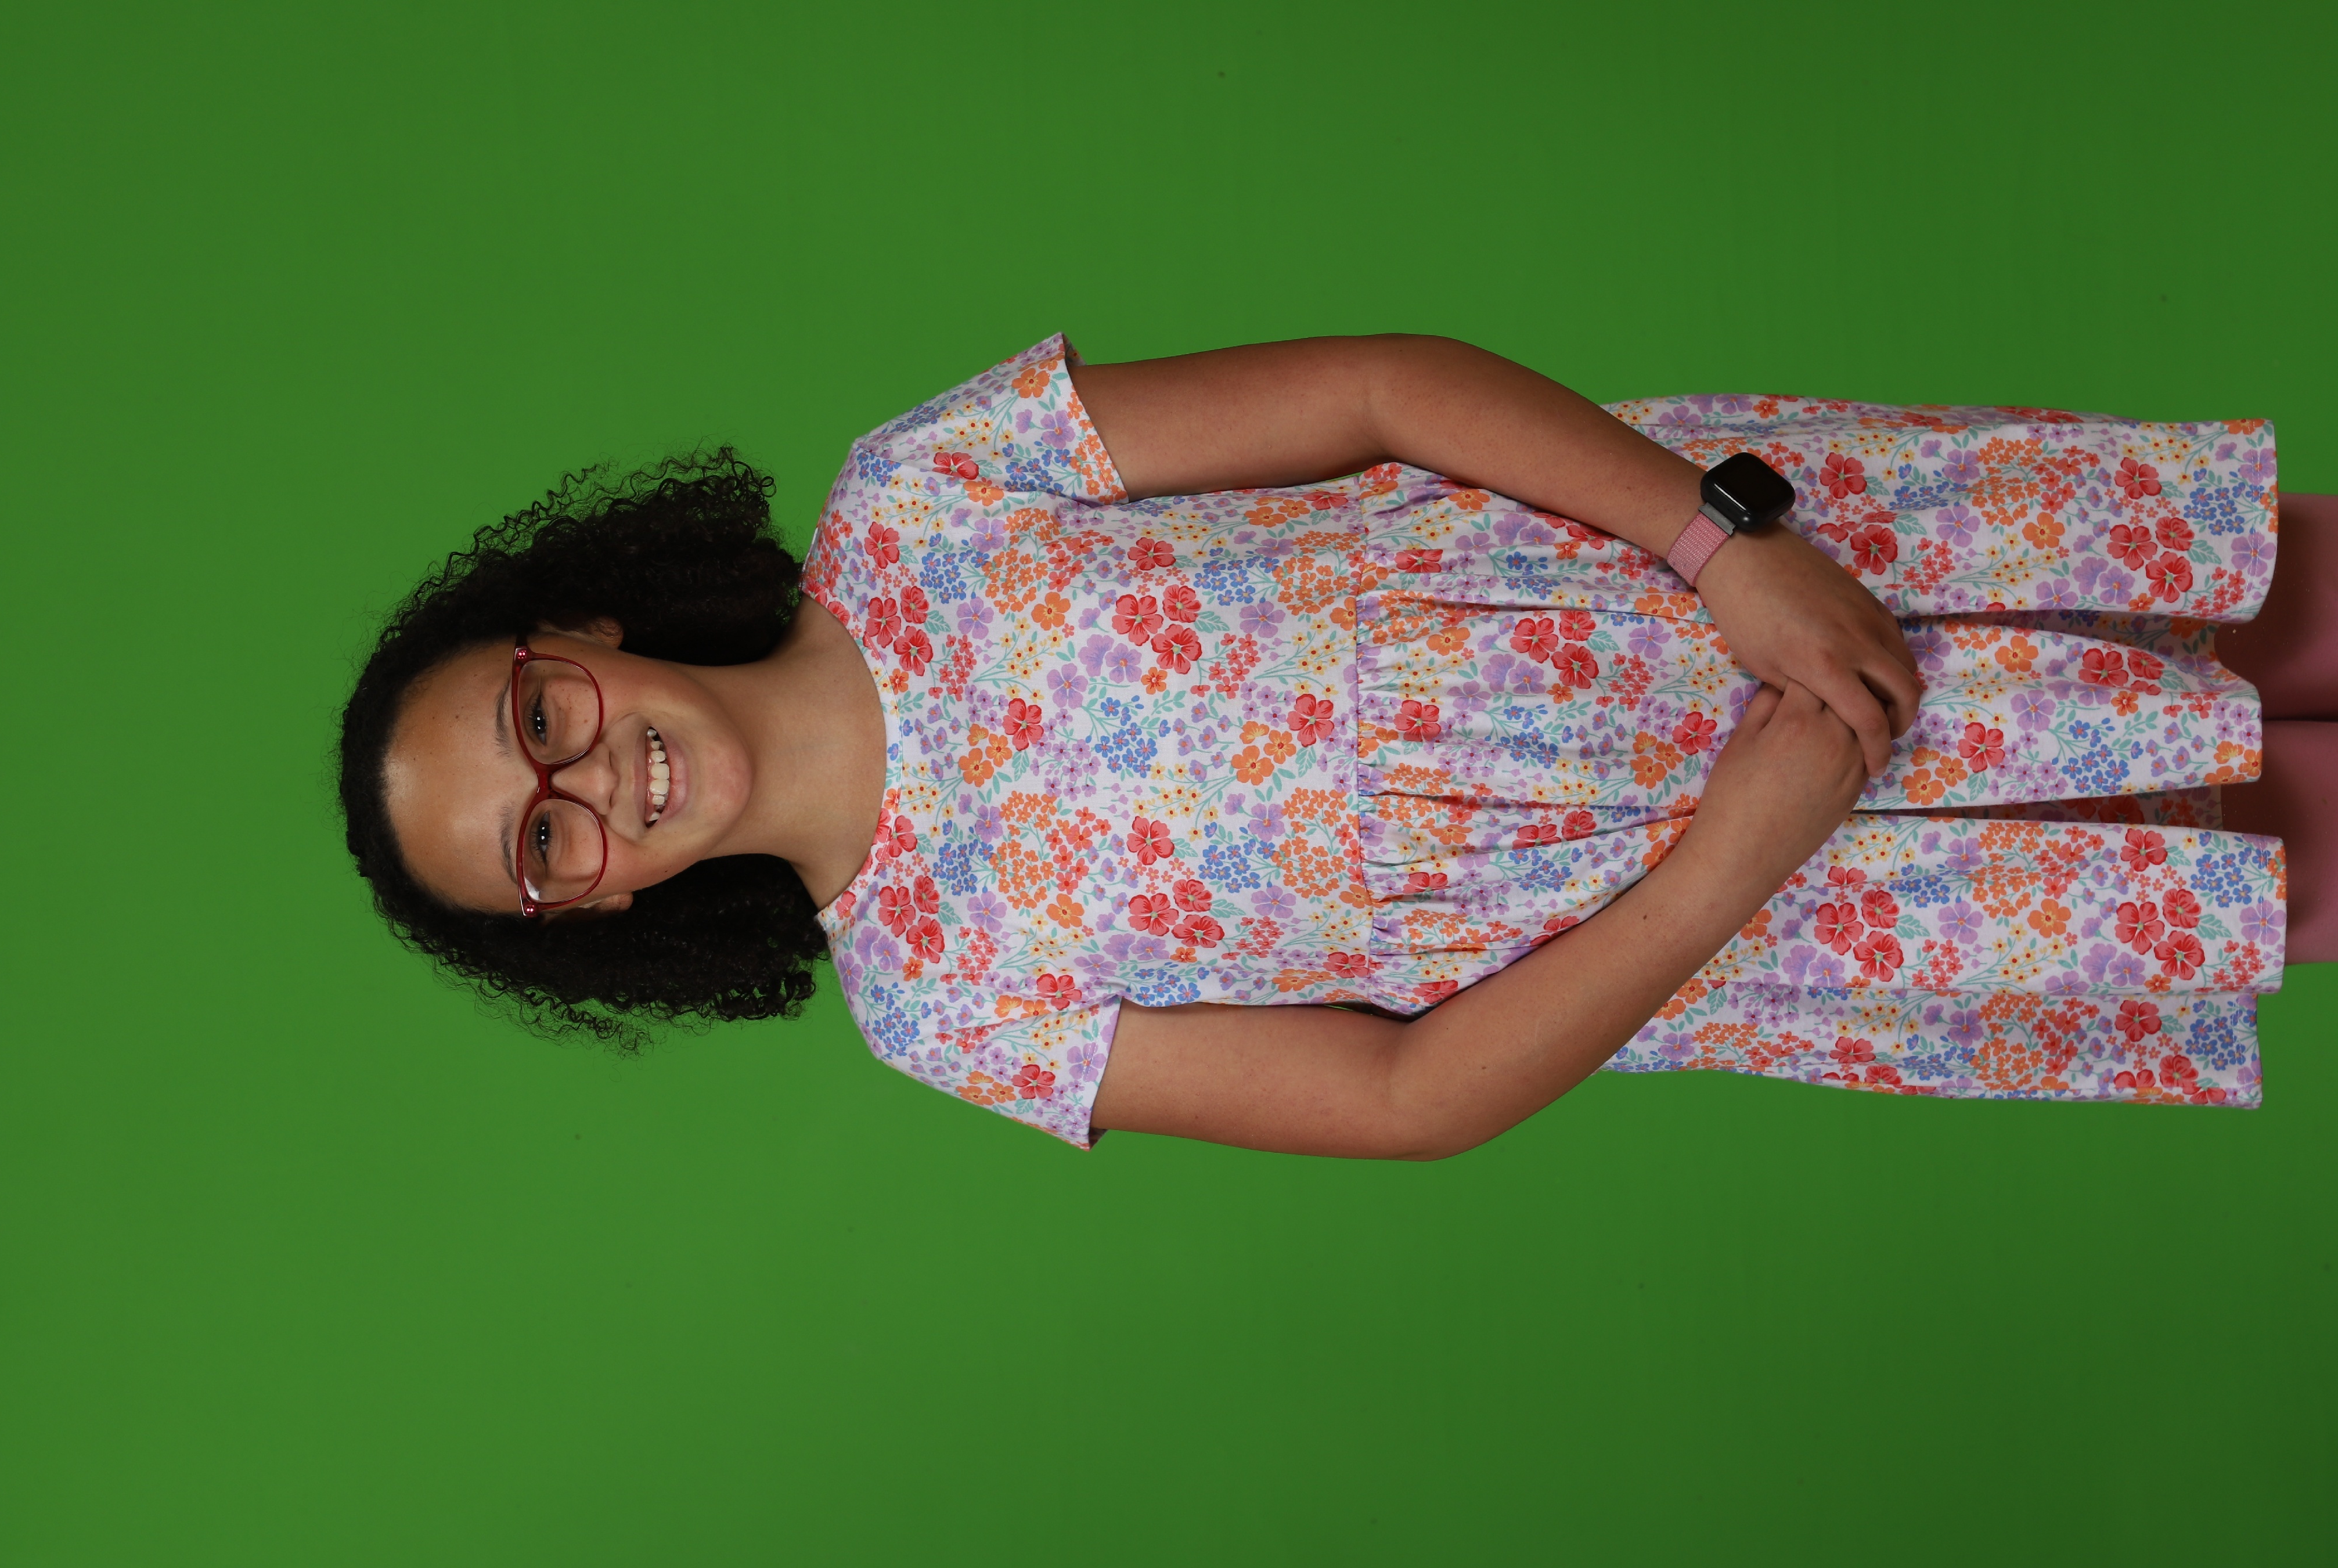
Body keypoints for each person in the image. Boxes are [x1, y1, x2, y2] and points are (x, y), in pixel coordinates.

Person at [343, 334, 2328, 1158]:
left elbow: (1378, 389)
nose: (587, 787)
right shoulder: (938, 1008)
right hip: (1793, 892)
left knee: (2282, 600)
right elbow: (1398, 1096)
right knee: (2290, 854)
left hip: (1763, 571)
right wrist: (1740, 857)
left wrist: (1723, 547)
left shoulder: (919, 494)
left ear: (580, 635)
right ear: (590, 909)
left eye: (539, 722)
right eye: (542, 842)